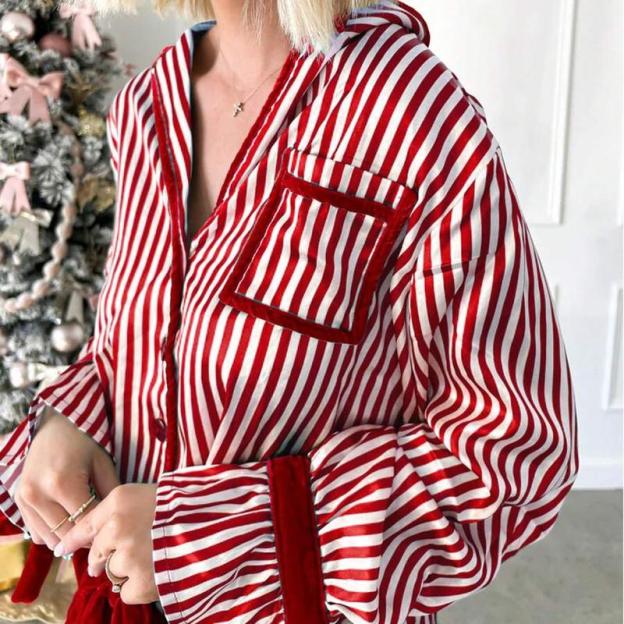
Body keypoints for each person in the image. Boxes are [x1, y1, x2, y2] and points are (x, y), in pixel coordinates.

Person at [0, 1, 579, 623]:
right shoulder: (148, 102)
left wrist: (206, 538)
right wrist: (71, 421)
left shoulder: (412, 113)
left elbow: (514, 456)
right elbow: (145, 342)